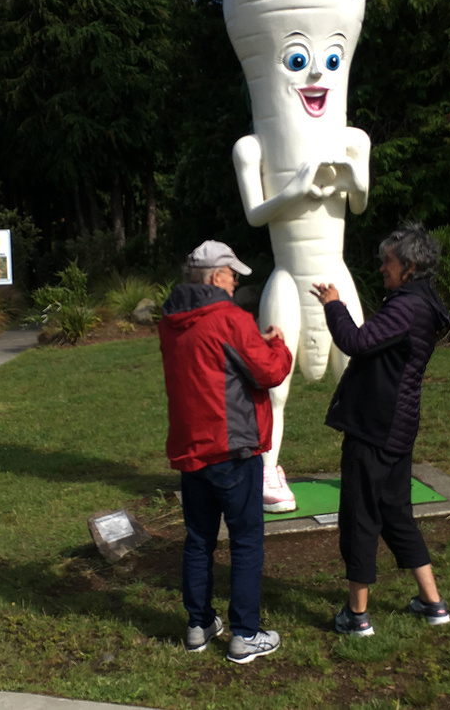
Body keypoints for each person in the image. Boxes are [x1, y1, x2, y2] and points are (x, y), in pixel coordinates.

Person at [310, 222, 450, 637]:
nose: (381, 269)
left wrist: (333, 305)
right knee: (396, 515)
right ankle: (433, 604)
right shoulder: (418, 302)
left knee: (360, 518)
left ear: (408, 266)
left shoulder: (406, 307)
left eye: (386, 262)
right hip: (397, 428)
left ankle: (356, 616)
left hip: (376, 430)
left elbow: (356, 341)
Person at [159, 240, 294, 664]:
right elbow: (269, 371)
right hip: (232, 449)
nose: (236, 281)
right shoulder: (229, 319)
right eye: (232, 274)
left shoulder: (171, 321)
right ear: (216, 276)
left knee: (198, 539)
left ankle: (198, 625)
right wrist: (277, 344)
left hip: (191, 448)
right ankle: (245, 634)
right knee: (246, 540)